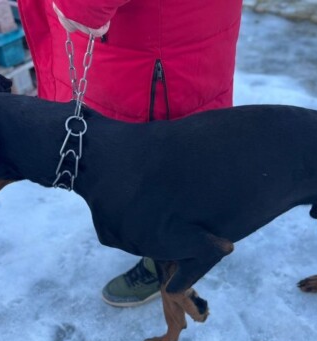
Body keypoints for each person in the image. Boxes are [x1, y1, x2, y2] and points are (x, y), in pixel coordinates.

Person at [18, 0, 243, 307]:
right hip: (151, 32)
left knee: (160, 157)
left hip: (147, 37)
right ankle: (178, 234)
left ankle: (169, 257)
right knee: (167, 146)